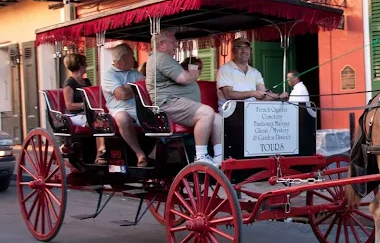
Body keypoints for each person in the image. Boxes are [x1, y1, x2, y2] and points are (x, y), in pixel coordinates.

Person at [147, 28, 223, 165]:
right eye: (173, 42)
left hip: (176, 102)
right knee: (207, 113)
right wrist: (193, 74)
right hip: (168, 103)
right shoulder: (162, 57)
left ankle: (219, 156)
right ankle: (200, 156)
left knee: (217, 118)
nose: (177, 45)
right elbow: (183, 78)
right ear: (162, 44)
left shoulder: (163, 58)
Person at [101, 43, 148, 167]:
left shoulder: (134, 73)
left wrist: (128, 87)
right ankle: (139, 154)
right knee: (123, 118)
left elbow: (147, 85)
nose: (134, 58)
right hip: (119, 108)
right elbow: (122, 94)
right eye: (132, 55)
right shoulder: (108, 75)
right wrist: (134, 87)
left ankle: (155, 153)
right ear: (124, 57)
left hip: (138, 107)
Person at [216, 37, 288, 109]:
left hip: (253, 111)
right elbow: (229, 94)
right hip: (231, 112)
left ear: (250, 51)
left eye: (247, 47)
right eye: (240, 47)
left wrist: (279, 96)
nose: (244, 50)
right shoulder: (225, 69)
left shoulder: (255, 72)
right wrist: (252, 93)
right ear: (233, 51)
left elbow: (263, 95)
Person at [62, 53, 107, 163]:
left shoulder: (86, 81)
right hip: (73, 115)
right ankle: (99, 155)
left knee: (104, 119)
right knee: (96, 121)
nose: (87, 66)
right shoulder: (69, 83)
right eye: (85, 64)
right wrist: (85, 105)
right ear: (80, 66)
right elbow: (69, 105)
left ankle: (105, 149)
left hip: (86, 113)